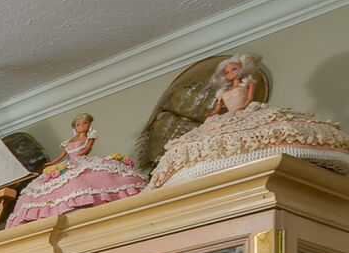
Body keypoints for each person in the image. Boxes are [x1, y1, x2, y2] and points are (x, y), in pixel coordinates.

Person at [149, 53, 349, 189]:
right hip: (228, 117)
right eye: (227, 71)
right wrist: (213, 114)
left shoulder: (248, 84)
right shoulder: (224, 91)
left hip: (246, 112)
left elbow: (248, 99)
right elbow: (218, 107)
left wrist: (245, 107)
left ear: (243, 68)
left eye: (234, 69)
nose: (230, 74)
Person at [7, 112, 147, 227]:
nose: (82, 126)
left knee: (86, 180)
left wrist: (80, 155)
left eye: (85, 123)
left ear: (89, 124)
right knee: (53, 188)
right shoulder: (70, 140)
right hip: (70, 162)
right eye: (78, 124)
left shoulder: (89, 137)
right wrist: (52, 163)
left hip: (82, 161)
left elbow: (86, 149)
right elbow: (63, 154)